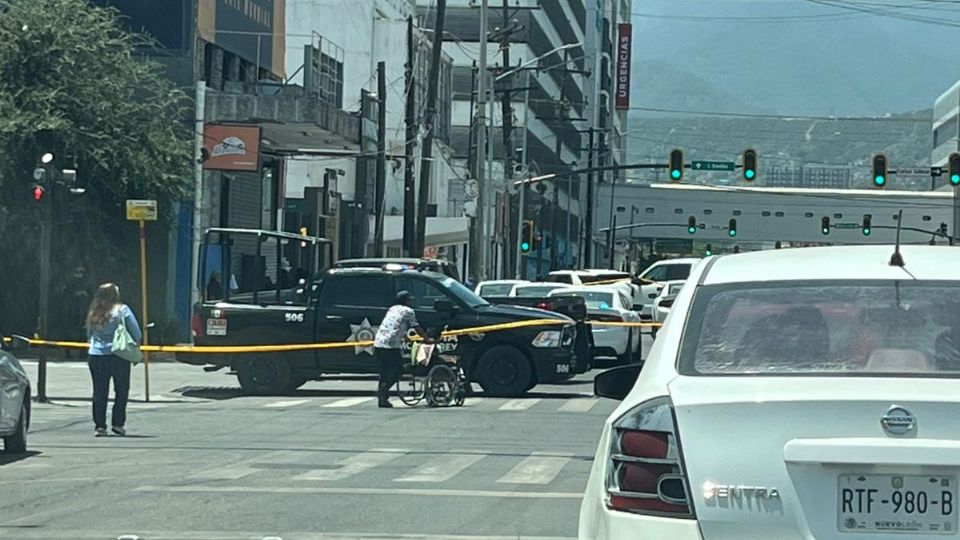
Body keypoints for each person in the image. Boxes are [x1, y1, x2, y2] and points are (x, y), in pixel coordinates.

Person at [85, 283, 142, 436]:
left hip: (96, 355)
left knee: (99, 391)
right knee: (121, 390)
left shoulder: (94, 312)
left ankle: (100, 426)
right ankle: (118, 423)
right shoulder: (122, 310)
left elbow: (89, 334)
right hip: (118, 355)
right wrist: (136, 344)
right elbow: (136, 332)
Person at [373, 290, 422, 408]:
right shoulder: (409, 311)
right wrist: (426, 339)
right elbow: (416, 327)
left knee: (384, 372)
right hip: (390, 345)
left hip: (378, 343)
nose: (411, 302)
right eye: (409, 299)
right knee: (398, 371)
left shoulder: (392, 309)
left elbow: (396, 326)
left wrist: (406, 338)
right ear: (405, 301)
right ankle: (383, 391)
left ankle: (382, 399)